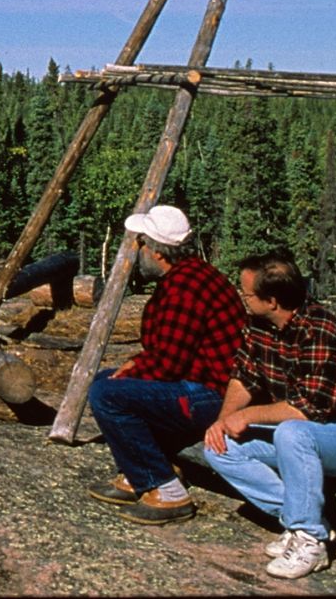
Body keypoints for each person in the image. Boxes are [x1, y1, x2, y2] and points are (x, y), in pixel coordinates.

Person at [204, 250, 336, 579]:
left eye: (246, 293)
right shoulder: (259, 323)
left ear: (272, 300)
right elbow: (244, 375)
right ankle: (300, 518)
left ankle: (311, 541)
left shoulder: (320, 330)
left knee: (291, 431)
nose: (241, 299)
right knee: (220, 446)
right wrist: (224, 421)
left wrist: (248, 416)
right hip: (305, 429)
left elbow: (309, 409)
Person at [85, 204, 245, 525]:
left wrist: (132, 369)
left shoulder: (184, 288)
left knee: (107, 394)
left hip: (214, 396)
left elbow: (168, 363)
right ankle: (139, 471)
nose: (139, 250)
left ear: (158, 252)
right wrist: (133, 367)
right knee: (108, 382)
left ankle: (164, 487)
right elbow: (170, 355)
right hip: (211, 387)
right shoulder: (193, 274)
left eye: (142, 243)